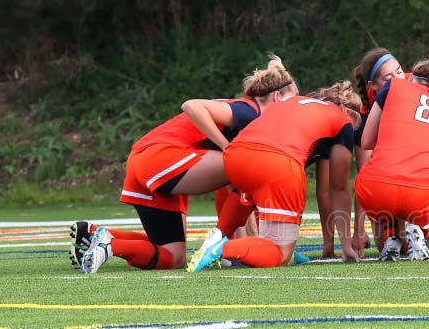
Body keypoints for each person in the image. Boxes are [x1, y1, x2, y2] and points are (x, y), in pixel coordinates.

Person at [71, 61, 283, 274]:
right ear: (276, 97)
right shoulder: (251, 111)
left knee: (173, 257)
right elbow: (191, 106)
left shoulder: (250, 114)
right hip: (161, 157)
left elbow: (235, 187)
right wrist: (227, 147)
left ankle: (102, 239)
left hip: (147, 160)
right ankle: (221, 241)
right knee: (247, 165)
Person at [187, 74, 362, 271]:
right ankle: (223, 249)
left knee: (247, 192)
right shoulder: (342, 122)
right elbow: (338, 188)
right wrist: (346, 243)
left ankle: (218, 235)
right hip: (277, 161)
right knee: (280, 253)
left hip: (236, 153)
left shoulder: (290, 100)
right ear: (352, 114)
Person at [351, 48, 429, 258]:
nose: (398, 77)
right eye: (390, 76)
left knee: (382, 183)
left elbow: (366, 145)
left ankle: (396, 236)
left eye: (399, 71)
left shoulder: (396, 87)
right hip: (418, 189)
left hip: (379, 187)